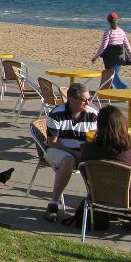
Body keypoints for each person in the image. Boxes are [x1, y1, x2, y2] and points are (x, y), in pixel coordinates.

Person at [44, 82, 98, 221]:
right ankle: (53, 203)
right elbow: (52, 142)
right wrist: (74, 153)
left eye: (89, 99)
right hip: (58, 150)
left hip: (83, 151)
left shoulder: (92, 115)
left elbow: (97, 138)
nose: (88, 102)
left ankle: (98, 202)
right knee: (69, 160)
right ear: (72, 100)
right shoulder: (56, 114)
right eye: (85, 99)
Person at [81, 105, 131, 205]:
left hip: (98, 195)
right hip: (129, 198)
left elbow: (85, 172)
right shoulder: (130, 151)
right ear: (122, 125)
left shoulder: (87, 149)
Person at [91, 11, 131, 89]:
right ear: (117, 20)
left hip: (110, 59)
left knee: (112, 76)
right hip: (120, 58)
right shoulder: (122, 32)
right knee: (112, 76)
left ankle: (124, 88)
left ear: (108, 21)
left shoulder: (108, 32)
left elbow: (103, 46)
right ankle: (111, 91)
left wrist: (96, 57)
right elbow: (127, 46)